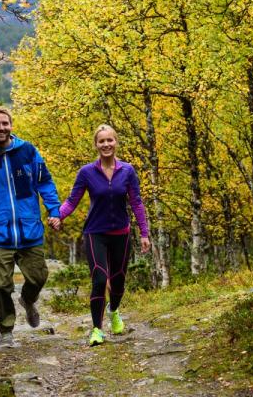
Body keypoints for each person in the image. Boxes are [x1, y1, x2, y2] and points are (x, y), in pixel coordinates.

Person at [0, 105, 61, 348]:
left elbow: (45, 182)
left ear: (11, 125)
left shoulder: (27, 151)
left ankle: (28, 301)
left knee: (39, 277)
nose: (1, 128)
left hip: (30, 230)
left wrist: (54, 211)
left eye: (5, 124)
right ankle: (6, 329)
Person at [51, 124, 151, 347]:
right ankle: (97, 329)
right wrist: (59, 216)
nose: (106, 144)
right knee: (98, 279)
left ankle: (114, 309)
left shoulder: (127, 171)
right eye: (101, 141)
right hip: (95, 232)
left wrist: (144, 233)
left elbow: (136, 202)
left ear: (116, 142)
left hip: (121, 234)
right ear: (96, 145)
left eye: (110, 140)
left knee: (118, 281)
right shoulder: (86, 172)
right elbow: (72, 200)